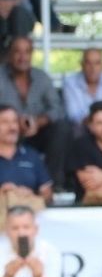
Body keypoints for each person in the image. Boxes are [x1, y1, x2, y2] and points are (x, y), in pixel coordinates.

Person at [0, 36, 71, 189]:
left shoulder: (41, 77)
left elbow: (57, 108)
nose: (22, 57)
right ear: (9, 54)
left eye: (27, 52)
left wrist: (39, 122)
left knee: (62, 127)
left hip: (36, 133)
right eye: (17, 52)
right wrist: (14, 121)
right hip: (6, 131)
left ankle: (52, 184)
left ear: (32, 54)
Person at [0, 105, 52, 206]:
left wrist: (31, 195)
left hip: (28, 215)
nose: (12, 127)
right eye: (5, 122)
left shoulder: (32, 155)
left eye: (15, 122)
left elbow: (48, 194)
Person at [62, 48, 102, 128]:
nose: (93, 68)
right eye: (88, 63)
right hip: (83, 127)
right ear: (82, 65)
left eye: (97, 63)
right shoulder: (70, 82)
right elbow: (73, 116)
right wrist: (97, 122)